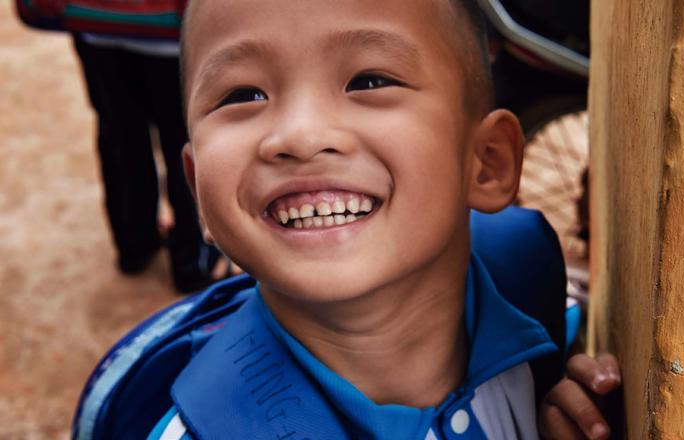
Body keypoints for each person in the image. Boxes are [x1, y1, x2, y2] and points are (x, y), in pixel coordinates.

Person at [74, 0, 618, 438]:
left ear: (487, 162)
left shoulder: (534, 301)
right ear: (198, 192)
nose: (301, 136)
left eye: (370, 81)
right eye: (243, 94)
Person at [71, 31, 222, 293]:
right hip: (172, 36)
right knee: (186, 141)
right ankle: (192, 265)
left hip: (95, 24)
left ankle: (135, 245)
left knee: (121, 138)